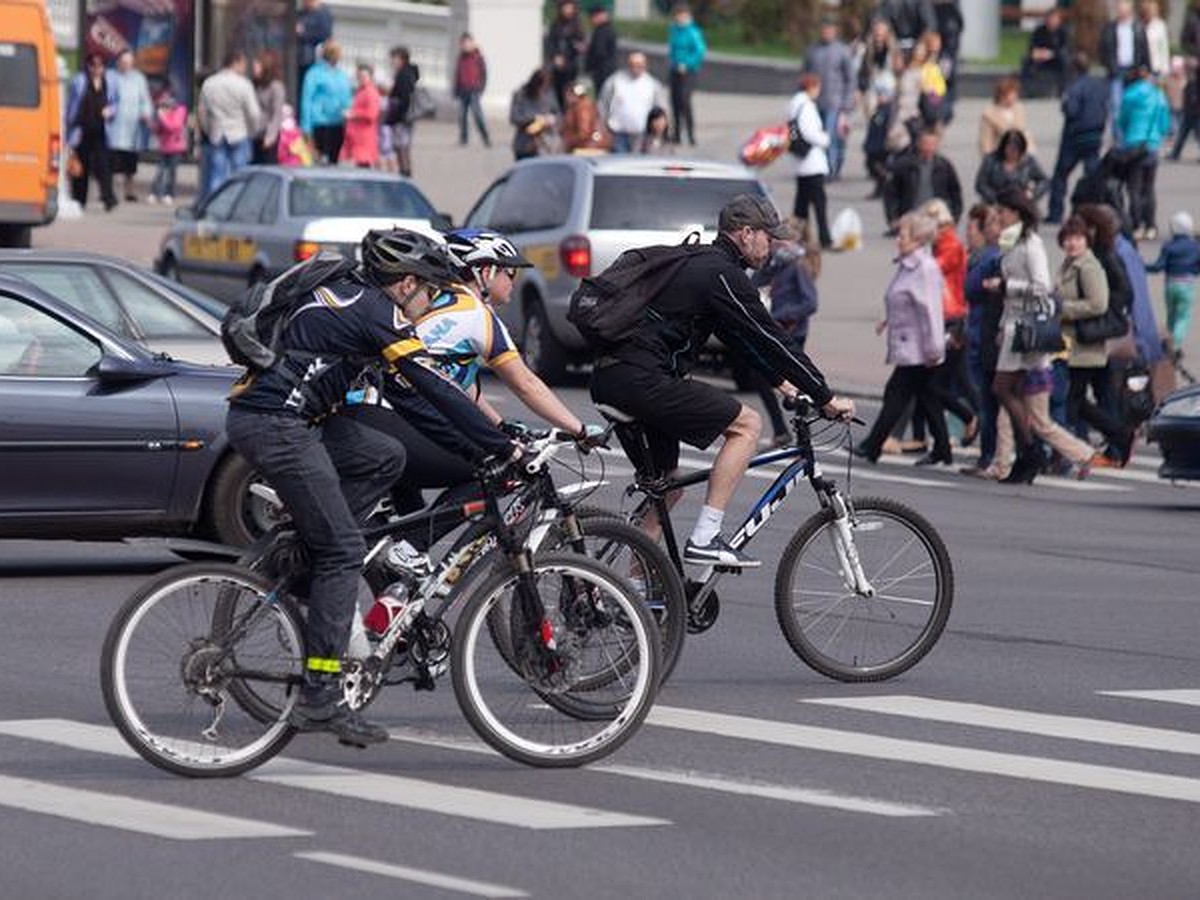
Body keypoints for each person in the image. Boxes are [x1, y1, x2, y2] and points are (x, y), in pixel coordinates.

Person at [225, 228, 513, 746]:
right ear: (405, 284)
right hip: (276, 424)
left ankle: (312, 548)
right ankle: (321, 693)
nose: (432, 300)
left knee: (385, 455)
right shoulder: (376, 313)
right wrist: (500, 448)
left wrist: (483, 445)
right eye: (430, 289)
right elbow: (433, 388)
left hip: (286, 418)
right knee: (342, 552)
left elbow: (413, 403)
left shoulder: (354, 299)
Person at [590, 195, 854, 568]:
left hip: (612, 376)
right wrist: (824, 395)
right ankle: (706, 536)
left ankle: (632, 592)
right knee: (748, 424)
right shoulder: (721, 275)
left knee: (666, 487)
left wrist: (780, 381)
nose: (772, 244)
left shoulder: (701, 264)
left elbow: (738, 337)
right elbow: (771, 336)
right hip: (642, 379)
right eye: (768, 236)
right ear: (746, 234)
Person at [985, 186, 1096, 484]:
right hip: (1013, 326)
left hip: (1028, 330)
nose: (999, 215)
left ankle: (1030, 452)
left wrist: (1009, 287)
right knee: (1011, 395)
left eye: (1003, 211)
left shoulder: (1031, 244)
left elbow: (1042, 286)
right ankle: (1023, 455)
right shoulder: (1012, 241)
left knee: (1003, 388)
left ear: (1017, 213)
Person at [853, 210, 952, 466]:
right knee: (927, 395)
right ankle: (943, 448)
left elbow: (931, 311)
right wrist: (889, 320)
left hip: (920, 348)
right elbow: (903, 300)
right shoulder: (909, 264)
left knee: (896, 393)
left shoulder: (924, 268)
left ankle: (872, 445)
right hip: (912, 345)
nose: (898, 238)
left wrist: (934, 350)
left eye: (903, 234)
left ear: (919, 238)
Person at [1056, 214, 1129, 470]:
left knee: (1071, 402)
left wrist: (1063, 309)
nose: (1072, 243)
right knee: (1076, 402)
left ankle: (1078, 451)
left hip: (1085, 346)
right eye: (1068, 238)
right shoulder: (1069, 264)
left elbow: (1098, 303)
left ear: (1086, 240)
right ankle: (1114, 435)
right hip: (1071, 345)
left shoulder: (1089, 266)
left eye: (1077, 238)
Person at [750, 219, 821, 445]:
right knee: (764, 376)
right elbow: (754, 284)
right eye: (774, 240)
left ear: (794, 242)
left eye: (781, 241)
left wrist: (783, 316)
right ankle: (783, 429)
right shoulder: (774, 264)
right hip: (775, 331)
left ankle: (800, 424)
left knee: (790, 378)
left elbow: (810, 303)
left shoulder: (798, 266)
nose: (776, 245)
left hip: (792, 331)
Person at [924, 198, 978, 446]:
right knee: (957, 379)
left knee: (940, 382)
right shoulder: (941, 244)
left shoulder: (949, 246)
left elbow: (933, 271)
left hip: (951, 317)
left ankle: (974, 418)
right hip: (949, 315)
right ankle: (973, 420)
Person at [960, 203, 1004, 477]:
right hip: (979, 331)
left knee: (991, 400)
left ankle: (992, 455)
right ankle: (989, 454)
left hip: (988, 334)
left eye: (997, 222)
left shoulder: (993, 258)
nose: (993, 227)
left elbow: (972, 289)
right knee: (986, 398)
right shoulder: (985, 257)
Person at [1046, 53, 1109, 225]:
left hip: (1075, 136)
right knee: (1093, 174)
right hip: (1095, 134)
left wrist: (1065, 106)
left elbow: (1071, 110)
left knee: (1061, 175)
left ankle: (1056, 212)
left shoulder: (1074, 87)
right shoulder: (1099, 85)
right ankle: (1096, 207)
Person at [196, 49, 261, 200]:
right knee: (239, 176)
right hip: (239, 133)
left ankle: (215, 207)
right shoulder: (244, 84)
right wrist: (251, 131)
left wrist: (209, 129)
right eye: (244, 64)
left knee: (216, 176)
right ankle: (235, 208)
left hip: (217, 134)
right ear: (236, 62)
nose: (245, 68)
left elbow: (203, 112)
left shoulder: (210, 83)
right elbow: (253, 113)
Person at [1120, 66, 1171, 240]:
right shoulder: (1158, 95)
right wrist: (1160, 136)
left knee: (1134, 187)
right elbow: (1164, 122)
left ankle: (1137, 224)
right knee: (1149, 188)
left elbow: (1122, 120)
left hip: (1133, 144)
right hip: (1152, 145)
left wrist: (1127, 134)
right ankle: (1151, 225)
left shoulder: (1129, 94)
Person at [66, 53, 119, 212]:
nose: (96, 69)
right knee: (81, 167)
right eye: (93, 65)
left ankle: (108, 198)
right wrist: (68, 125)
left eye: (100, 65)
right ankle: (79, 199)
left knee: (103, 167)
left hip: (101, 130)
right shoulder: (79, 81)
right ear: (87, 66)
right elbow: (71, 104)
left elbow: (116, 102)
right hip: (82, 130)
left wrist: (111, 111)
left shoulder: (109, 82)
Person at [804, 17, 855, 179]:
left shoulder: (842, 51)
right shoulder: (813, 50)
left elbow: (850, 79)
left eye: (829, 29)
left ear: (835, 31)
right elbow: (805, 75)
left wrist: (846, 104)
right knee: (817, 137)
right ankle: (821, 168)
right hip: (815, 102)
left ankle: (832, 170)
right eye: (824, 29)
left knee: (832, 138)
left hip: (835, 102)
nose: (826, 32)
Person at [885, 126, 963, 229]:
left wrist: (954, 217)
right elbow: (891, 194)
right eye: (926, 144)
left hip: (937, 217)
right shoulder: (904, 165)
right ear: (918, 144)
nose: (929, 148)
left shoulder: (944, 166)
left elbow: (955, 193)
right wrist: (893, 218)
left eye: (933, 144)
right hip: (912, 217)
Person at [1145, 211, 1200, 356]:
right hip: (1187, 285)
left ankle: (1168, 341)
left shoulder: (1168, 246)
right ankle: (1174, 345)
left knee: (1171, 316)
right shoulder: (1195, 246)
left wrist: (1143, 266)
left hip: (1170, 285)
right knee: (1183, 317)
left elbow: (1158, 266)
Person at [788, 72, 833, 250]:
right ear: (811, 87)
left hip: (801, 162)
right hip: (812, 163)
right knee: (819, 203)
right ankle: (825, 239)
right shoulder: (806, 105)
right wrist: (826, 139)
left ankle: (799, 238)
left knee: (801, 204)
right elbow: (809, 132)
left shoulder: (794, 104)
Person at [1100, 0, 1150, 142]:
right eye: (1119, 10)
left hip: (1134, 71)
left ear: (1130, 11)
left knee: (1133, 105)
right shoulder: (1110, 28)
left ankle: (1131, 134)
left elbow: (1145, 49)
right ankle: (1119, 137)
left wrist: (1146, 68)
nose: (1121, 12)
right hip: (1116, 71)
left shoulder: (1138, 27)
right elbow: (1102, 50)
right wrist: (1109, 66)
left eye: (1124, 10)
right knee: (1116, 106)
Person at [599, 52, 666, 154]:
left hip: (642, 134)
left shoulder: (652, 84)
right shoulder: (615, 81)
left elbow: (660, 110)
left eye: (639, 65)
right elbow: (603, 104)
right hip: (618, 133)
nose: (635, 68)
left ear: (645, 65)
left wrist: (658, 131)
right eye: (632, 65)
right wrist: (603, 126)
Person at [107, 50, 151, 203]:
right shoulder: (110, 77)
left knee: (130, 164)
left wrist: (146, 113)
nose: (126, 65)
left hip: (132, 128)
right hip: (114, 127)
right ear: (118, 62)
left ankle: (129, 191)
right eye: (123, 62)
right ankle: (109, 191)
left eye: (129, 63)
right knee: (112, 162)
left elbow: (145, 100)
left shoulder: (139, 79)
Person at [301, 41, 352, 165]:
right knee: (319, 160)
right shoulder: (314, 73)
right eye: (335, 53)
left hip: (337, 123)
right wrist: (306, 128)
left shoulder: (341, 75)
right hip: (319, 123)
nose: (338, 57)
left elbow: (347, 98)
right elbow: (306, 100)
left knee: (333, 161)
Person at [975, 129, 1048, 206]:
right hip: (995, 203)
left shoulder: (1028, 162)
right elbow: (980, 184)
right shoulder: (991, 160)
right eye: (1009, 148)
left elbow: (1044, 181)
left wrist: (1032, 194)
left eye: (1016, 150)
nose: (1012, 153)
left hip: (1021, 204)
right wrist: (993, 197)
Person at [667, 3, 706, 147]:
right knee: (674, 102)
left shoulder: (693, 32)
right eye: (678, 16)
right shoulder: (674, 30)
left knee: (685, 101)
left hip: (688, 72)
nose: (680, 18)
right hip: (674, 70)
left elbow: (700, 52)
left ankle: (690, 134)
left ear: (688, 16)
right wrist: (672, 62)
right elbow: (672, 49)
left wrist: (687, 64)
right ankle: (676, 134)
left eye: (682, 15)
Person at [510, 68, 560, 160]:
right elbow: (514, 118)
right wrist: (534, 118)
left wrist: (552, 119)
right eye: (540, 87)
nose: (541, 91)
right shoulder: (520, 94)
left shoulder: (549, 93)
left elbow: (557, 114)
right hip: (525, 144)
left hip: (545, 144)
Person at [385, 47, 420, 177]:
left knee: (401, 146)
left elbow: (404, 98)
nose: (392, 61)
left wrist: (396, 115)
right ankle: (405, 171)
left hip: (402, 118)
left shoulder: (404, 74)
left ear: (401, 59)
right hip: (406, 117)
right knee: (403, 146)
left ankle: (405, 173)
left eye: (394, 58)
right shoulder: (408, 73)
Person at [149, 87, 186, 206]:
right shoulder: (161, 112)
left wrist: (162, 117)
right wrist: (155, 124)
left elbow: (173, 127)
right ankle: (155, 193)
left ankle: (169, 194)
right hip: (164, 147)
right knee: (160, 171)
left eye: (168, 103)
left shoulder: (180, 110)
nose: (165, 106)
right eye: (163, 103)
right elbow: (157, 130)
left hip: (176, 148)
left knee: (172, 172)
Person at [1021, 8, 1070, 98]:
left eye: (1054, 19)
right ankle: (1026, 89)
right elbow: (1032, 46)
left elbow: (1066, 48)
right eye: (1049, 19)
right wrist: (1035, 52)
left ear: (1059, 20)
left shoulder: (1064, 32)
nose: (1051, 21)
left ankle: (1063, 90)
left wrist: (1051, 54)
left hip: (1056, 59)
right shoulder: (1039, 31)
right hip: (1041, 58)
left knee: (1065, 60)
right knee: (1025, 60)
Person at [545, 0, 585, 112]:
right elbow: (550, 43)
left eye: (569, 8)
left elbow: (581, 43)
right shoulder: (555, 25)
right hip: (557, 67)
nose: (567, 11)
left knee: (571, 92)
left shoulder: (577, 25)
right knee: (558, 93)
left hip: (571, 66)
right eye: (565, 8)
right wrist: (555, 57)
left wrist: (578, 47)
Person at [979, 77, 1032, 157]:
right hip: (1000, 155)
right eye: (1012, 94)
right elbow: (986, 141)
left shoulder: (1019, 109)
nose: (1015, 97)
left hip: (1021, 154)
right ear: (1002, 95)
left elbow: (1024, 133)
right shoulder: (989, 114)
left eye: (1016, 94)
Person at [454, 33, 491, 148]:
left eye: (467, 43)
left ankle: (486, 138)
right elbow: (457, 74)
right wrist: (456, 89)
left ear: (472, 43)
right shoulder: (460, 57)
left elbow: (484, 74)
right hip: (463, 90)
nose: (465, 45)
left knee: (478, 115)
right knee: (462, 117)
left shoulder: (478, 57)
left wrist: (481, 88)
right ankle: (463, 139)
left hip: (474, 90)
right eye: (463, 43)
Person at [341, 63, 380, 168]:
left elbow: (372, 114)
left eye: (363, 76)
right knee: (360, 166)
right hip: (358, 137)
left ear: (370, 77)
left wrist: (352, 114)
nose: (361, 79)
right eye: (359, 76)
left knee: (363, 167)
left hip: (364, 138)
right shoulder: (362, 91)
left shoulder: (370, 92)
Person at [296, 0, 333, 111]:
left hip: (312, 60)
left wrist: (303, 33)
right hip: (298, 58)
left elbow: (324, 34)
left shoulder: (323, 14)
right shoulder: (301, 13)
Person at [252, 51, 286, 166]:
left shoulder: (276, 87)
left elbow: (276, 114)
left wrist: (270, 137)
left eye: (258, 66)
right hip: (253, 133)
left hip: (267, 135)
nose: (254, 69)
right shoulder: (255, 85)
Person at [561, 81, 611, 152]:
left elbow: (584, 132)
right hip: (587, 147)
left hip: (586, 148)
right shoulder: (578, 106)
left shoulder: (582, 108)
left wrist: (569, 141)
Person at [584, 2, 618, 94]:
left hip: (602, 72)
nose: (590, 20)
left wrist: (588, 51)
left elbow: (600, 52)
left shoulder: (602, 31)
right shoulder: (608, 28)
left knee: (602, 99)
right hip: (607, 71)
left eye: (592, 17)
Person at [1141, 0, 1170, 79]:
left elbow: (1164, 48)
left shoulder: (1160, 26)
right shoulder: (1140, 25)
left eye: (1153, 10)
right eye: (1149, 10)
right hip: (1143, 70)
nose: (1151, 12)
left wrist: (1165, 69)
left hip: (1157, 68)